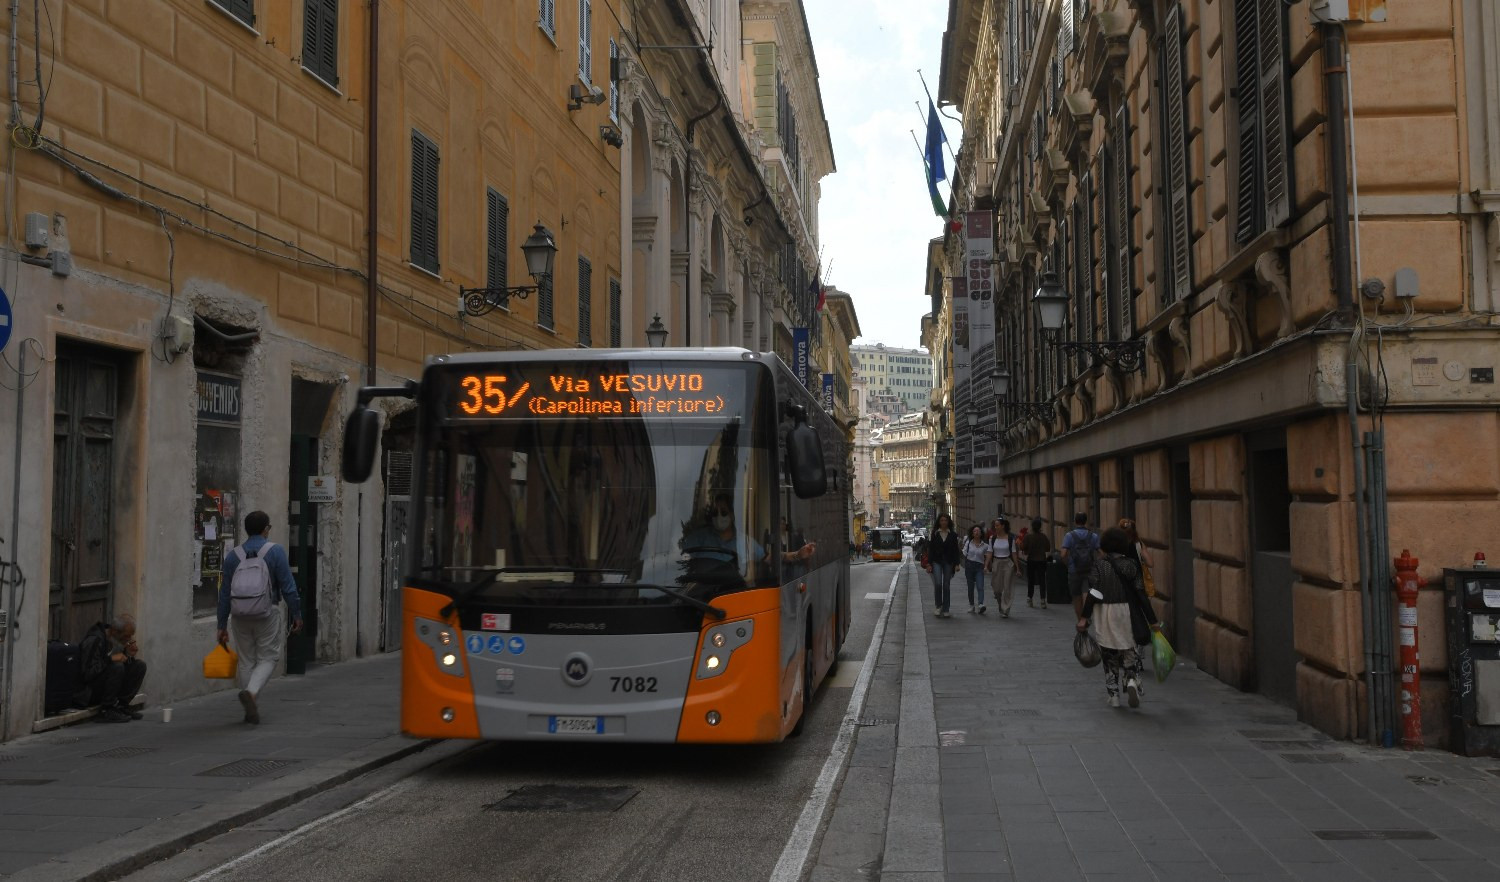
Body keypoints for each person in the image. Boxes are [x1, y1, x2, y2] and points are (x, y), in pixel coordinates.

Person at [217, 510, 303, 725]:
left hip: (239, 615)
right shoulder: (275, 551)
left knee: (246, 659)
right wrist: (297, 614)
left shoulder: (233, 556)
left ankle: (249, 701)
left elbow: (224, 594)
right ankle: (252, 694)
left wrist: (221, 625)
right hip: (267, 612)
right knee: (269, 657)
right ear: (266, 529)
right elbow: (288, 587)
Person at [1077, 527, 1161, 708]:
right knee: (1129, 649)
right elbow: (1141, 594)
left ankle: (1113, 694)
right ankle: (1131, 679)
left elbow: (1093, 593)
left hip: (1105, 612)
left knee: (1109, 653)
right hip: (1127, 611)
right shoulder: (1131, 564)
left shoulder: (1100, 565)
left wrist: (1084, 617)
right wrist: (1152, 620)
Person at [77, 614, 146, 723]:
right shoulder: (95, 640)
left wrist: (128, 654)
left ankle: (121, 706)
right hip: (88, 692)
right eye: (126, 636)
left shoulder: (116, 640)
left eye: (130, 636)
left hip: (107, 685)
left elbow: (121, 667)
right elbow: (87, 673)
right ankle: (107, 710)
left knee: (139, 666)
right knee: (117, 667)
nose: (129, 640)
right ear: (114, 631)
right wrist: (111, 659)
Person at [1060, 512, 1100, 616]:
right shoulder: (1093, 536)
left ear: (1075, 521)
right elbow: (1102, 553)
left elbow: (1063, 554)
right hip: (1089, 570)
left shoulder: (1069, 536)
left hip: (1074, 570)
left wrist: (1068, 564)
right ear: (1085, 521)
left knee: (1077, 597)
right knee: (1087, 593)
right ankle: (1086, 617)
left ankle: (1081, 622)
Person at [923, 514, 962, 618]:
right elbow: (931, 550)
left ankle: (946, 608)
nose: (944, 522)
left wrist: (957, 564)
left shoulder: (953, 535)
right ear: (939, 522)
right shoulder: (935, 533)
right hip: (936, 561)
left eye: (945, 520)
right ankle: (938, 606)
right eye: (942, 520)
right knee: (938, 583)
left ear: (948, 522)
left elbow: (955, 550)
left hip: (948, 562)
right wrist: (929, 563)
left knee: (946, 585)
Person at [988, 518, 1021, 617]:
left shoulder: (1011, 538)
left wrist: (1018, 568)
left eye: (997, 525)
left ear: (1003, 526)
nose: (995, 527)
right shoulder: (992, 538)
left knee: (1007, 587)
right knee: (996, 588)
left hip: (1008, 563)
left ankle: (1005, 609)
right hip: (996, 562)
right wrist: (986, 565)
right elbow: (989, 552)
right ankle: (1000, 604)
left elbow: (1014, 553)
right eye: (995, 525)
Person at [1020, 518, 1052, 609]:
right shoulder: (1043, 536)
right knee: (1042, 580)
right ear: (1040, 526)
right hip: (1042, 560)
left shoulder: (1028, 536)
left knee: (1031, 580)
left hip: (1031, 560)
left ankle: (1030, 598)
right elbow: (1048, 548)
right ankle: (1042, 600)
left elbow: (1023, 547)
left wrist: (1020, 544)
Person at [1118, 517, 1155, 596]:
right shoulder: (1139, 544)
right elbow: (1151, 563)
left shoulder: (1116, 545)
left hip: (1122, 584)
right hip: (1138, 584)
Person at [960, 524, 992, 615]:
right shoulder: (968, 543)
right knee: (970, 587)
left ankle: (981, 604)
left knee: (980, 586)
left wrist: (986, 566)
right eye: (975, 531)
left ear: (981, 533)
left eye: (978, 531)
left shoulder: (985, 545)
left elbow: (988, 555)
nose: (977, 532)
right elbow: (964, 553)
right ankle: (971, 605)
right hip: (969, 566)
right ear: (972, 533)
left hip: (979, 567)